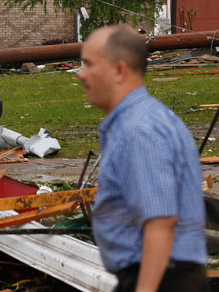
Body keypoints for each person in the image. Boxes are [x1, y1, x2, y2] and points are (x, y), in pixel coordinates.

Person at [77, 24, 208, 292]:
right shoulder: (146, 120)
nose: (80, 75)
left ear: (119, 70)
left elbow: (160, 221)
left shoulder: (139, 131)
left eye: (89, 65)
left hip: (162, 279)